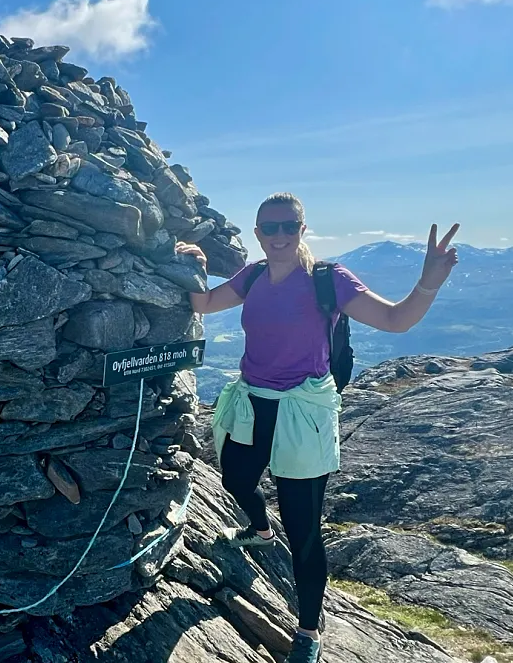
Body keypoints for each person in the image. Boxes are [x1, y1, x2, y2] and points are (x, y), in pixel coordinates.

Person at [175, 193, 459, 663]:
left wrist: (427, 283)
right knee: (235, 479)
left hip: (304, 410)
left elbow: (395, 319)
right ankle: (261, 532)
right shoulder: (254, 275)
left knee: (303, 527)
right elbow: (203, 304)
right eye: (269, 228)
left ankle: (307, 631)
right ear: (258, 233)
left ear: (303, 229)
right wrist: (194, 263)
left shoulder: (328, 280)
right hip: (254, 400)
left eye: (289, 226)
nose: (279, 236)